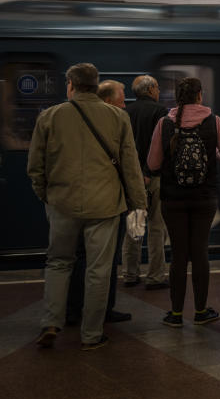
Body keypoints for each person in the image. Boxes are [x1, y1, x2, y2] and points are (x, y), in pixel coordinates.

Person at [28, 63, 146, 350]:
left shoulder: (49, 117)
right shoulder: (117, 117)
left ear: (70, 84)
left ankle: (51, 323)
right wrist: (138, 204)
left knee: (58, 262)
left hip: (62, 203)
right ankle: (91, 334)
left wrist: (47, 195)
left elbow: (35, 166)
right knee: (99, 269)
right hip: (105, 206)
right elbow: (130, 166)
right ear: (95, 85)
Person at [147, 77, 220, 327]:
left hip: (172, 199)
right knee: (199, 252)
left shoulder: (164, 123)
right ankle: (200, 311)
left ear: (177, 97)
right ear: (200, 95)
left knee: (178, 254)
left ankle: (175, 314)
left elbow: (153, 164)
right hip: (204, 198)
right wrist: (213, 154)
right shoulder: (214, 121)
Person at [122, 75, 169, 290]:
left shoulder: (125, 113)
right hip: (155, 177)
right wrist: (150, 171)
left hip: (133, 180)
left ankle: (130, 274)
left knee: (135, 227)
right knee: (157, 227)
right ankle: (155, 276)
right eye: (157, 88)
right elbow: (161, 146)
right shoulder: (160, 111)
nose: (158, 91)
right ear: (150, 89)